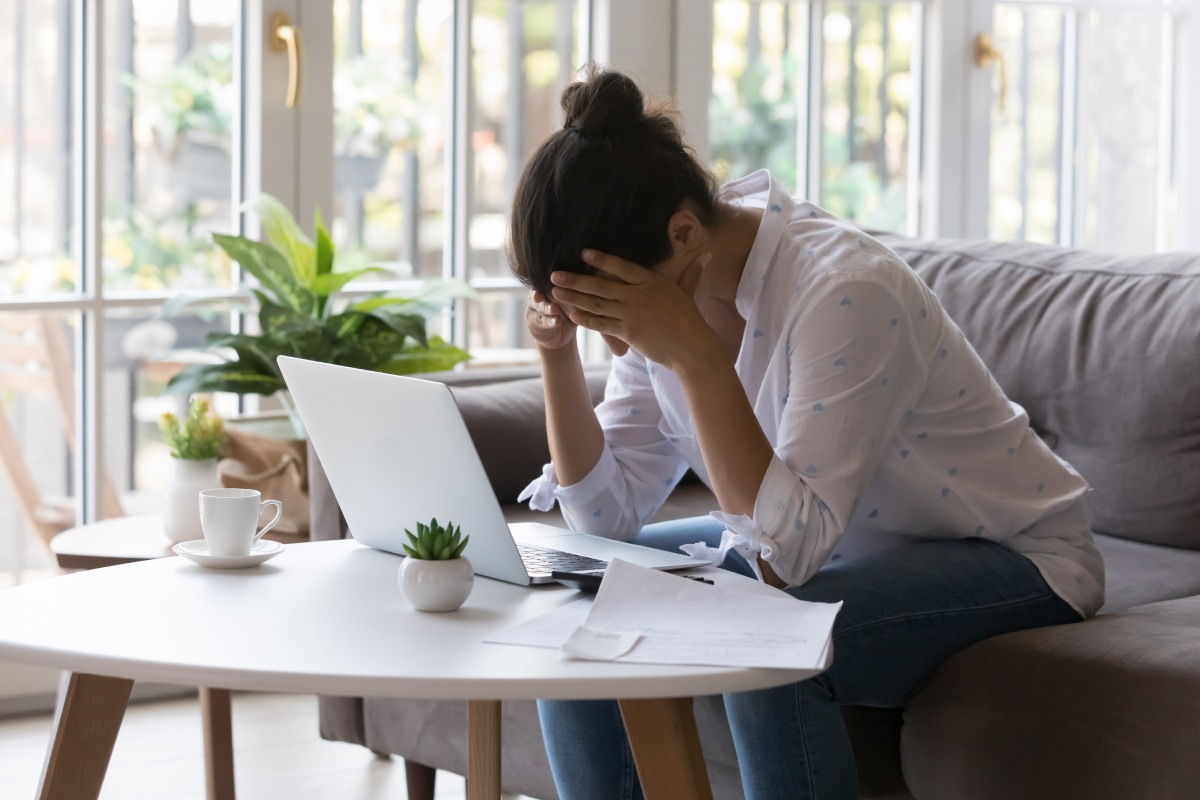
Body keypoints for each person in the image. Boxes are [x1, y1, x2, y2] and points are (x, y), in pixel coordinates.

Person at [507, 64, 1104, 800]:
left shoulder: (844, 290)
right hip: (837, 546)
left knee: (767, 643)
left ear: (685, 232)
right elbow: (604, 520)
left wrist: (696, 356)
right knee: (582, 592)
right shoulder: (663, 289)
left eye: (607, 312)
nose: (615, 341)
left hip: (1011, 556)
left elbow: (782, 559)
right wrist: (558, 356)